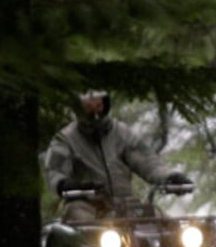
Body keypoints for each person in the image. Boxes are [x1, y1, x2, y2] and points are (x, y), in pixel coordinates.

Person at [43, 90, 192, 221]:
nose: (95, 113)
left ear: (106, 104)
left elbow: (146, 161)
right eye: (88, 107)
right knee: (79, 218)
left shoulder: (121, 133)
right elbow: (55, 171)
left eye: (99, 105)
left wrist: (169, 177)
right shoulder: (66, 139)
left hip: (125, 205)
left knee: (164, 225)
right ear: (79, 108)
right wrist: (67, 185)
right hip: (87, 206)